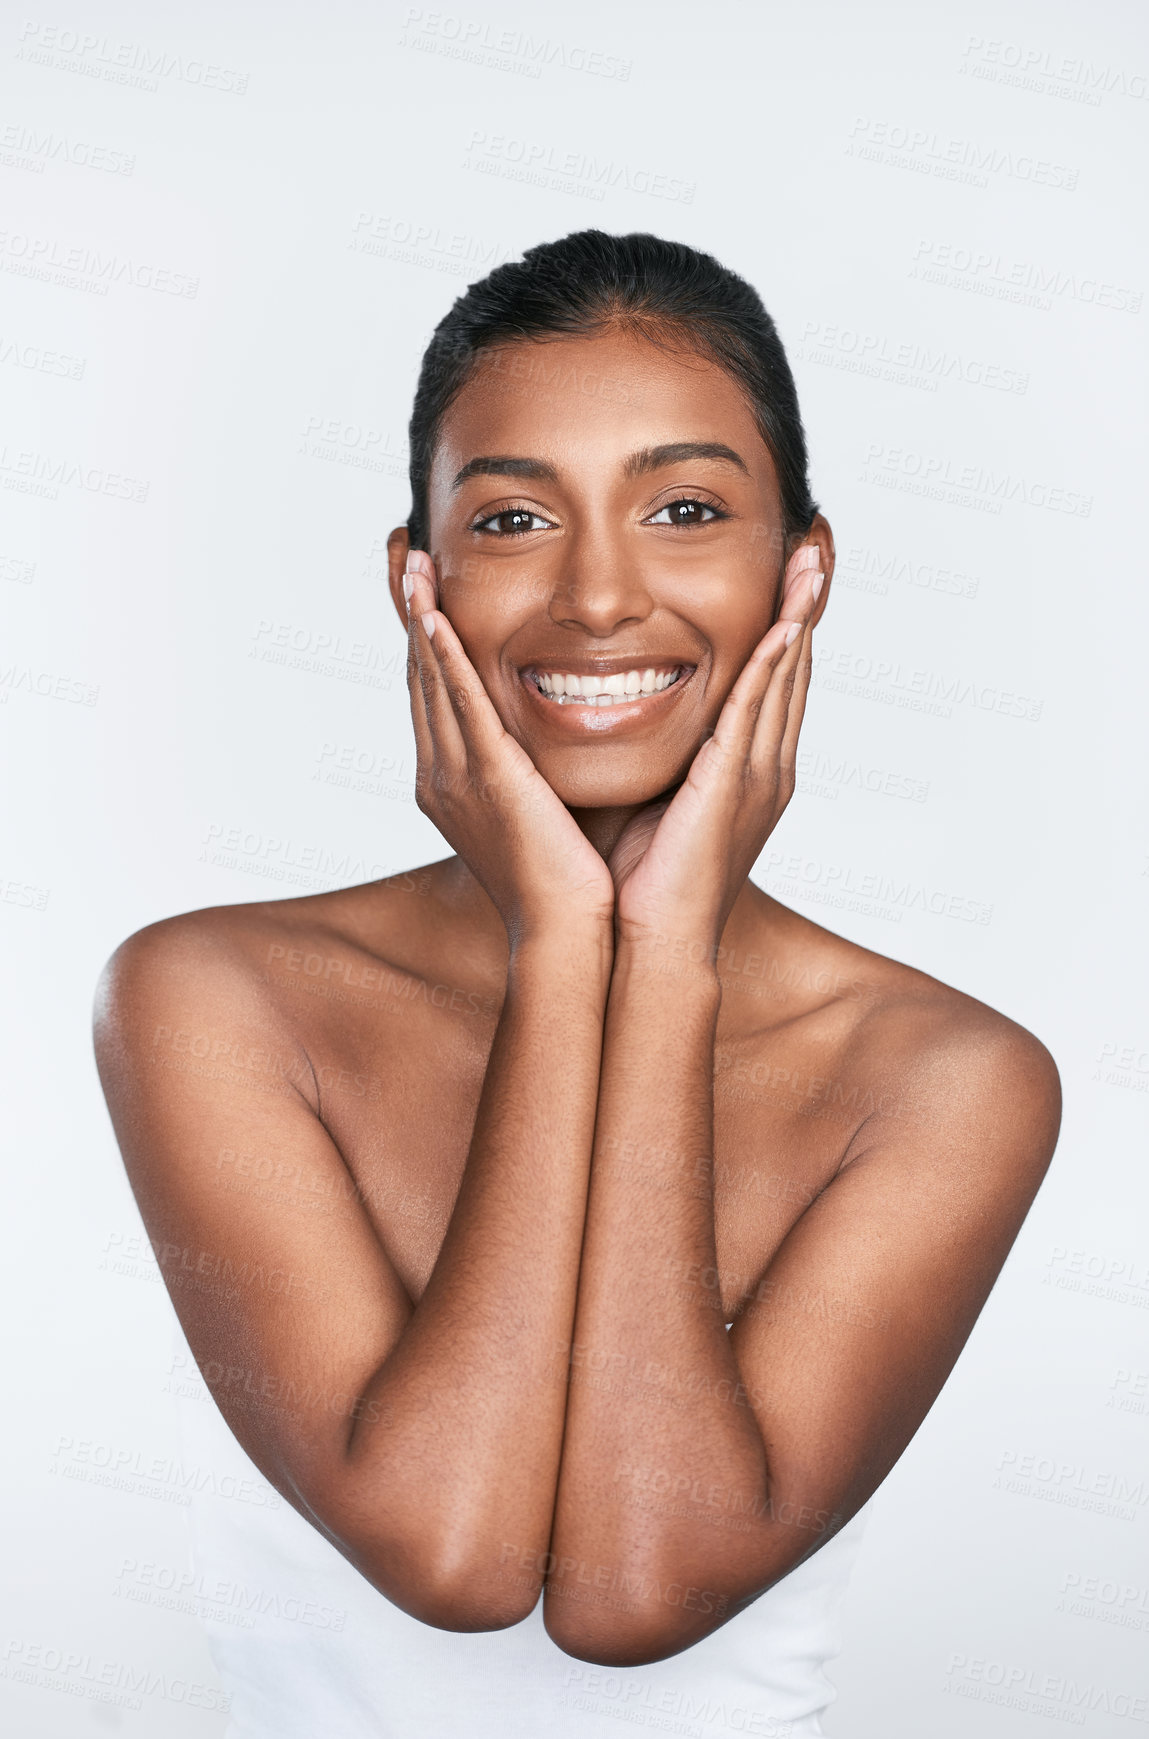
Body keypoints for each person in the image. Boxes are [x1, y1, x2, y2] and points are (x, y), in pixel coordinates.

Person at [93, 230, 1061, 1737]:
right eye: (513, 519)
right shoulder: (215, 999)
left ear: (800, 568)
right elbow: (454, 1550)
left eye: (684, 509)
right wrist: (568, 942)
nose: (598, 597)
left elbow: (633, 1588)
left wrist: (659, 958)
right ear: (416, 580)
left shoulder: (941, 1080)